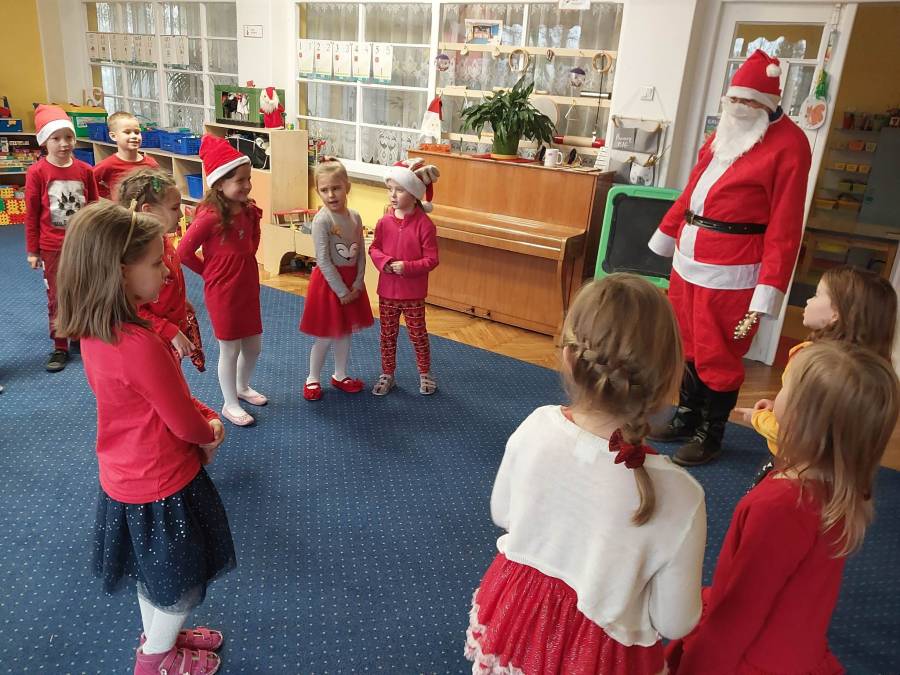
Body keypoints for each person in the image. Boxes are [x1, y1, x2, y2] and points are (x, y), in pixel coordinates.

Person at [465, 274, 706, 674]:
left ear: (568, 356)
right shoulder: (681, 494)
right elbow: (675, 621)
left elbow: (503, 513)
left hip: (521, 620)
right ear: (670, 378)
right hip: (602, 657)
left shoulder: (537, 426)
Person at [54, 201, 234, 675]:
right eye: (156, 263)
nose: (168, 272)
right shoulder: (140, 345)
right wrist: (211, 431)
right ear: (120, 272)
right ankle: (155, 658)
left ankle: (161, 638)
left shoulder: (97, 330)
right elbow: (183, 423)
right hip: (164, 482)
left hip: (124, 477)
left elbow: (149, 401)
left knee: (152, 571)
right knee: (181, 582)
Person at [666, 341, 899, 674]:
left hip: (753, 657)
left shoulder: (779, 507)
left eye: (785, 387)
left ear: (802, 419)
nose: (775, 395)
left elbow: (741, 613)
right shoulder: (843, 487)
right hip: (797, 646)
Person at [648, 49, 812, 465]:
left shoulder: (791, 145)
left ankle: (711, 432)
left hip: (734, 269)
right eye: (733, 99)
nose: (737, 108)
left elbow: (786, 223)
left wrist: (769, 287)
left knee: (717, 351)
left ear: (768, 104)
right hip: (688, 259)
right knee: (686, 341)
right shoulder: (722, 134)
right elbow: (692, 192)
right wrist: (665, 235)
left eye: (747, 102)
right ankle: (687, 415)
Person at [735, 265, 897, 484]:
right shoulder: (872, 372)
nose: (809, 300)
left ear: (836, 314)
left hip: (794, 467)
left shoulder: (811, 362)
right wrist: (777, 405)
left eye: (817, 294)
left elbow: (795, 433)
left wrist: (757, 418)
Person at [177, 135, 266, 426]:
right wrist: (210, 273)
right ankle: (229, 403)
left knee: (253, 346)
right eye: (240, 180)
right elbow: (183, 252)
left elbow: (253, 240)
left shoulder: (248, 210)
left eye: (249, 178)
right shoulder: (210, 216)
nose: (247, 185)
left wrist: (246, 258)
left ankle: (242, 387)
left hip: (247, 286)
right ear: (219, 184)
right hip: (222, 292)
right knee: (230, 349)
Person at [24, 104, 99, 372]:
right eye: (56, 138)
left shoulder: (85, 170)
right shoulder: (37, 172)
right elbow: (32, 213)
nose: (64, 143)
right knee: (57, 296)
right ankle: (60, 345)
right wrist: (33, 250)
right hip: (52, 246)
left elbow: (94, 206)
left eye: (68, 137)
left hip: (82, 245)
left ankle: (80, 334)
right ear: (44, 141)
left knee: (84, 291)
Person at [299, 157, 374, 401]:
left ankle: (340, 374)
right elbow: (323, 259)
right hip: (329, 286)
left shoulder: (355, 217)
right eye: (324, 190)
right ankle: (312, 377)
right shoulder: (322, 220)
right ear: (318, 191)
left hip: (351, 283)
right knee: (326, 335)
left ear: (347, 187)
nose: (331, 195)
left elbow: (360, 253)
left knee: (344, 332)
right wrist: (342, 291)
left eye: (336, 188)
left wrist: (358, 283)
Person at [118, 168, 206, 371]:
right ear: (148, 211)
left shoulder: (163, 240)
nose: (181, 214)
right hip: (152, 337)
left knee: (172, 370)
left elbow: (170, 279)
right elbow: (131, 308)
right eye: (175, 208)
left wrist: (180, 301)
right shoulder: (138, 256)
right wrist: (168, 330)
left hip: (169, 328)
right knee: (158, 375)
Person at [369, 159, 440, 396]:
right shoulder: (384, 222)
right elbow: (374, 248)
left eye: (399, 190)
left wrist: (407, 267)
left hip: (413, 294)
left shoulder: (425, 225)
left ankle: (425, 373)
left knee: (418, 335)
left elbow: (432, 259)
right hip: (387, 292)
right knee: (387, 336)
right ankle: (387, 373)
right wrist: (385, 262)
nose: (393, 195)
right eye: (390, 189)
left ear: (414, 194)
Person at [93, 111, 160, 200]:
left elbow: (159, 187)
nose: (134, 136)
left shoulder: (151, 163)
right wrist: (107, 196)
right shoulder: (108, 164)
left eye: (137, 132)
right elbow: (88, 181)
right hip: (120, 208)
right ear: (113, 136)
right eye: (127, 132)